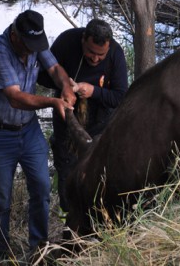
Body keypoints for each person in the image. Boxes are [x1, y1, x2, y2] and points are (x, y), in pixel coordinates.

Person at [0, 9, 76, 260]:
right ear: (15, 35)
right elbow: (16, 98)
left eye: (36, 45)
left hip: (29, 129)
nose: (33, 50)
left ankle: (39, 248)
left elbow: (54, 68)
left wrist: (65, 85)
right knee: (2, 198)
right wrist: (54, 102)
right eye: (28, 45)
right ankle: (0, 252)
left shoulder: (34, 42)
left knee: (42, 188)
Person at [38, 18, 128, 214]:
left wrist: (94, 91)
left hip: (101, 122)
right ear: (83, 39)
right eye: (91, 52)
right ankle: (69, 216)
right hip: (67, 117)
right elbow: (41, 74)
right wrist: (65, 85)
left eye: (100, 55)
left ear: (108, 46)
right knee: (67, 168)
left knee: (99, 171)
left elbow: (121, 96)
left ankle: (98, 216)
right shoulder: (67, 41)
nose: (95, 59)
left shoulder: (116, 53)